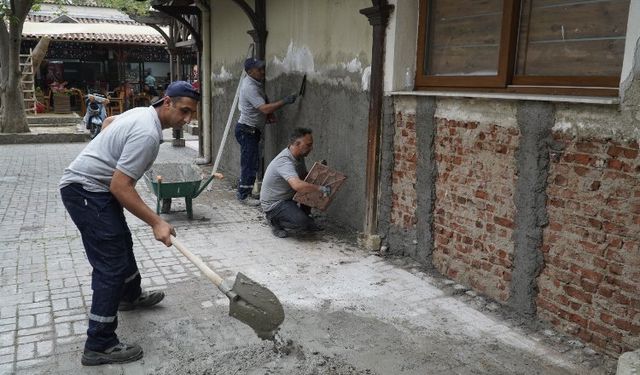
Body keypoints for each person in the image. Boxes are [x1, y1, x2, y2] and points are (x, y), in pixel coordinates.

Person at [59, 81, 200, 366]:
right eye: (184, 111)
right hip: (85, 191)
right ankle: (99, 343)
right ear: (167, 102)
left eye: (192, 114)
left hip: (94, 188)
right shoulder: (148, 134)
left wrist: (104, 149)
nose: (186, 120)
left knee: (122, 240)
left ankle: (129, 296)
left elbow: (110, 121)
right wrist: (157, 222)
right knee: (110, 263)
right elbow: (121, 187)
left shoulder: (141, 113)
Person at [235, 57, 297, 206]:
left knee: (251, 161)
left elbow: (263, 104)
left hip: (251, 129)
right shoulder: (249, 87)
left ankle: (244, 191)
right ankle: (244, 196)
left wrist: (268, 116)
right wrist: (285, 101)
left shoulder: (255, 83)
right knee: (249, 163)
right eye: (259, 69)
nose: (263, 71)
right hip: (247, 130)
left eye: (263, 68)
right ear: (249, 71)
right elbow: (263, 108)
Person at [260, 127, 331, 238]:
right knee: (302, 224)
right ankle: (274, 221)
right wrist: (320, 188)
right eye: (308, 145)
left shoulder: (299, 157)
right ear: (297, 144)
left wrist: (318, 173)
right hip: (275, 204)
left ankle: (305, 217)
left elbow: (304, 178)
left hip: (288, 199)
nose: (311, 148)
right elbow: (297, 185)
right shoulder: (284, 162)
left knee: (310, 186)